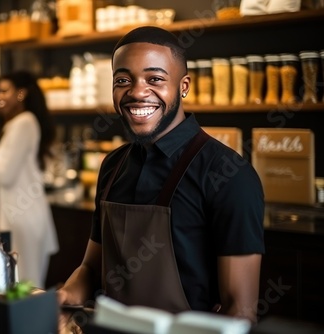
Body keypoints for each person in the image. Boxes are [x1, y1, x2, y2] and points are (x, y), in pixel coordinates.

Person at [57, 26, 265, 324]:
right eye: (123, 80)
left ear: (184, 86)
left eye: (155, 79)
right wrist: (64, 296)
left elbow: (240, 312)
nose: (138, 92)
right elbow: (90, 269)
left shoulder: (228, 174)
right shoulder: (112, 166)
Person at [0, 70, 59, 289]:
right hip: (20, 215)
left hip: (24, 217)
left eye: (3, 90)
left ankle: (34, 324)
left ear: (21, 94)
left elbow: (4, 174)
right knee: (20, 285)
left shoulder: (24, 123)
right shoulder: (17, 125)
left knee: (26, 287)